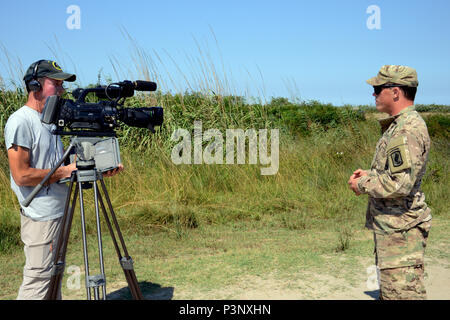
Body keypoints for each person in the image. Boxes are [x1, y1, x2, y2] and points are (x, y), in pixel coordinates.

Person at [4, 59, 123, 300]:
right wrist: (64, 172)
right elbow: (21, 175)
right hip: (41, 217)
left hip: (58, 213)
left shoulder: (50, 121)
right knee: (38, 282)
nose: (61, 90)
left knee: (53, 281)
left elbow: (60, 165)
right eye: (55, 84)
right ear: (35, 85)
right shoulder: (21, 121)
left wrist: (100, 167)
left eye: (62, 85)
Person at [348, 65, 432, 300]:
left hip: (401, 233)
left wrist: (362, 185)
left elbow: (399, 184)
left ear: (395, 92)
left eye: (377, 88)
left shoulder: (406, 129)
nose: (373, 94)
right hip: (395, 231)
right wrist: (369, 174)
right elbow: (397, 173)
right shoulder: (400, 125)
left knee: (403, 295)